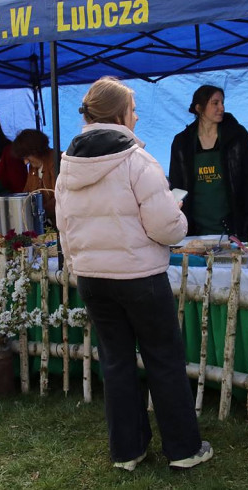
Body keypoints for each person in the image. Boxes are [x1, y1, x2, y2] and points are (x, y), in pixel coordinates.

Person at [56, 76, 212, 471]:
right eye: (133, 109)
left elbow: (64, 227)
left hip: (93, 278)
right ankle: (183, 450)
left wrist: (78, 266)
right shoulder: (137, 161)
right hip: (140, 278)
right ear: (119, 115)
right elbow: (166, 228)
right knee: (163, 359)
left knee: (116, 362)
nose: (137, 116)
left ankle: (127, 451)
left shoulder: (67, 166)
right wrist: (177, 216)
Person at [169, 85, 248, 240]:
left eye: (222, 103)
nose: (221, 108)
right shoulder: (182, 142)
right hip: (194, 229)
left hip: (232, 226)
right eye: (215, 103)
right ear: (199, 108)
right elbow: (177, 185)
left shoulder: (237, 136)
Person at [11, 128, 57, 225]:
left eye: (26, 157)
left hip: (60, 225)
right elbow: (27, 194)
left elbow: (60, 197)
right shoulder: (33, 168)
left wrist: (40, 213)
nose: (26, 162)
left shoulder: (56, 162)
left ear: (36, 151)